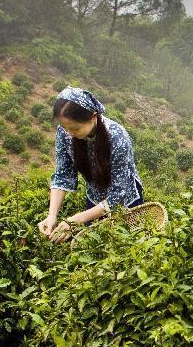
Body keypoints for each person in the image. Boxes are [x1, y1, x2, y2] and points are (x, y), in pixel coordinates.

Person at [37, 86, 144, 243]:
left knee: (125, 245)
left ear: (93, 116)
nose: (69, 133)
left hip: (125, 200)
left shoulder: (118, 138)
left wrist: (79, 218)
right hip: (95, 197)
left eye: (75, 128)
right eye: (65, 128)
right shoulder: (64, 133)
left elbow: (118, 194)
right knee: (94, 245)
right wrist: (52, 215)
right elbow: (62, 175)